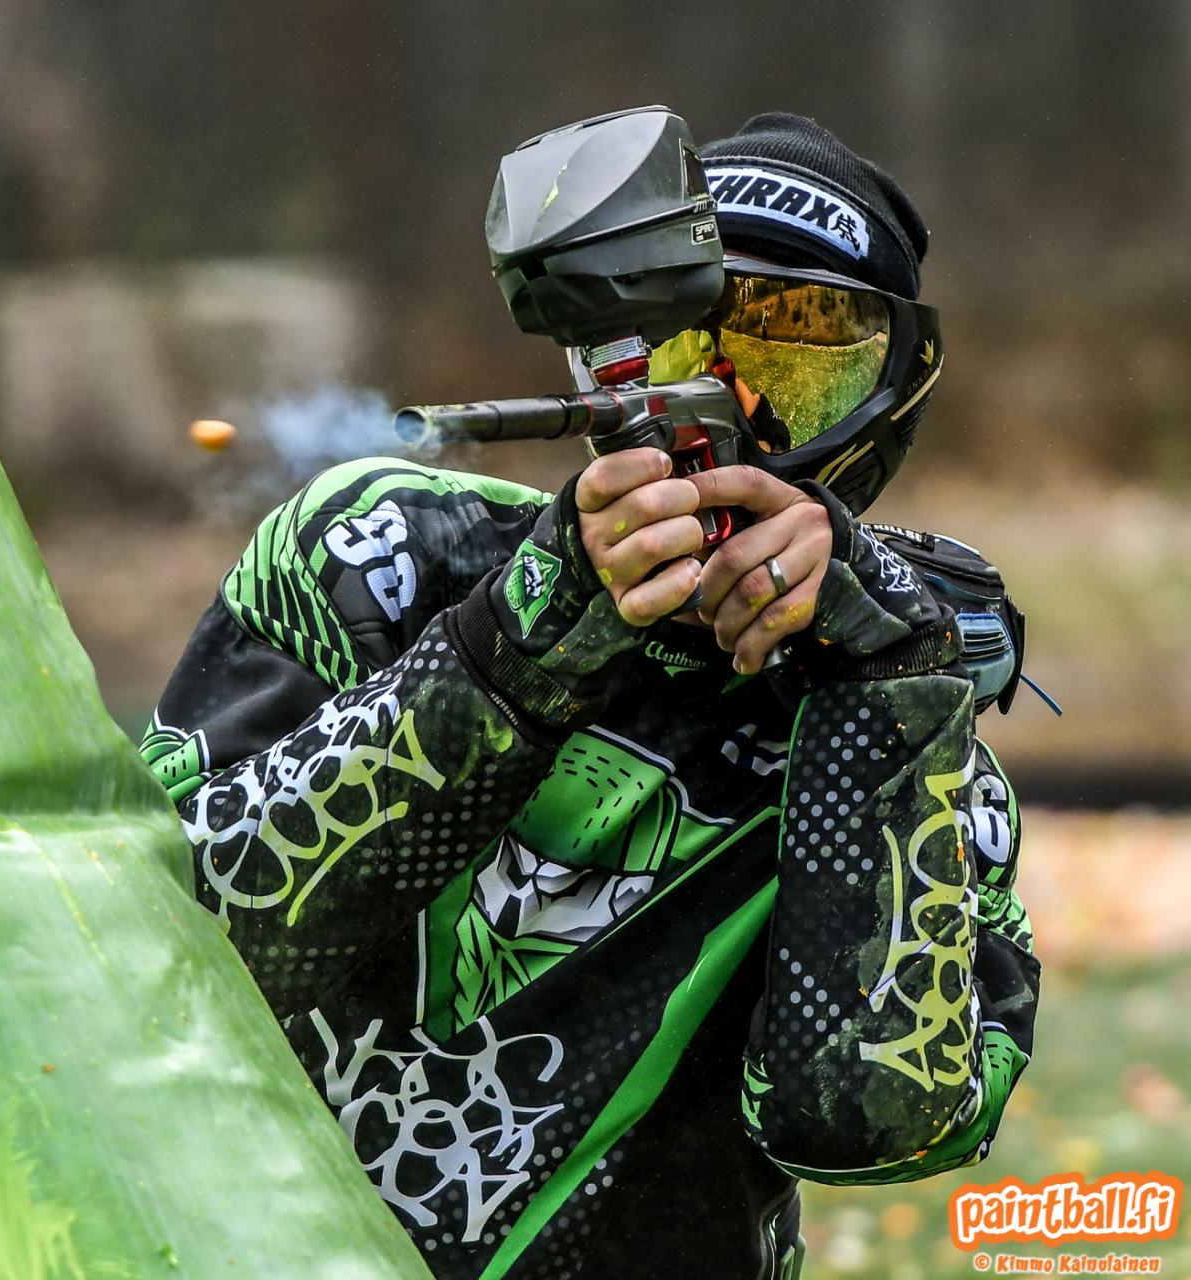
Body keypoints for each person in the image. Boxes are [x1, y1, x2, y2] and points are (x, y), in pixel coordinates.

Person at [141, 112, 1040, 1280]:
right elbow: (168, 940)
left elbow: (865, 1122)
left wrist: (883, 698)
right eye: (684, 352)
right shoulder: (380, 555)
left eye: (796, 370)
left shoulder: (921, 753)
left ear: (887, 402)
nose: (730, 422)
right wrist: (511, 647)